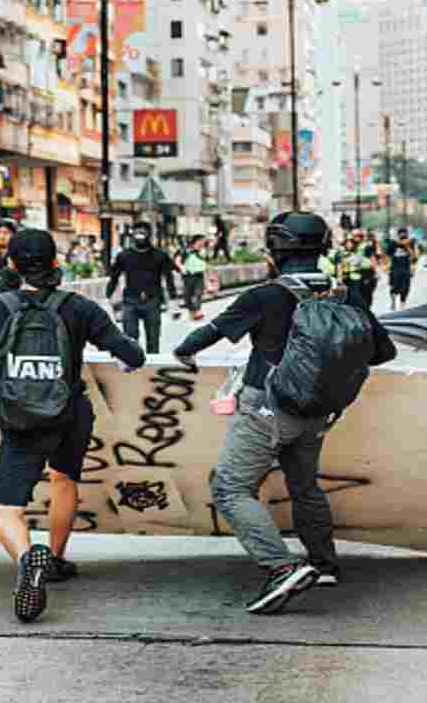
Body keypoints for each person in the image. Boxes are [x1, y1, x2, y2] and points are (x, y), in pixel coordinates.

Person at [173, 212, 396, 613]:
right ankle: (324, 564)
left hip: (267, 410)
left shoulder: (265, 295)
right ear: (323, 246)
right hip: (319, 412)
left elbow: (199, 339)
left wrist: (183, 352)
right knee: (304, 485)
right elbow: (384, 351)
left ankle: (280, 567)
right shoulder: (344, 294)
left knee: (229, 487)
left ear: (276, 249)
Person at [0, 229, 145, 623]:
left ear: (11, 265)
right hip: (69, 415)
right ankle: (55, 559)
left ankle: (28, 561)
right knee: (63, 480)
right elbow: (132, 354)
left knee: (6, 509)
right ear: (56, 263)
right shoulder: (78, 308)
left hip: (20, 422)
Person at [106, 222, 177, 354]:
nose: (140, 236)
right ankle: (133, 363)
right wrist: (108, 295)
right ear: (132, 235)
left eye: (143, 233)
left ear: (149, 234)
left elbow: (169, 278)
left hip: (153, 301)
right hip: (130, 301)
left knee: (153, 338)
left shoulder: (160, 255)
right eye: (137, 232)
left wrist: (173, 301)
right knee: (130, 338)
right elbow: (114, 277)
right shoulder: (124, 256)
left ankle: (151, 366)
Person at [177, 235, 209, 321]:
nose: (203, 243)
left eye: (204, 242)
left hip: (199, 275)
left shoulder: (202, 252)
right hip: (188, 276)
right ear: (196, 241)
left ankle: (198, 311)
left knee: (198, 293)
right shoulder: (186, 250)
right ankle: (191, 312)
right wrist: (182, 268)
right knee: (188, 294)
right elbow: (178, 260)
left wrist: (208, 280)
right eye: (201, 241)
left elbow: (205, 264)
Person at [384, 228, 417, 310]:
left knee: (406, 287)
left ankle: (403, 304)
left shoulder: (410, 243)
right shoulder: (393, 243)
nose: (403, 235)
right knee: (394, 286)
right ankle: (393, 301)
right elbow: (387, 255)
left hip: (406, 268)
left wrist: (407, 246)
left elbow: (414, 257)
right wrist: (386, 265)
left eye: (404, 234)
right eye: (401, 234)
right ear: (398, 235)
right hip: (395, 268)